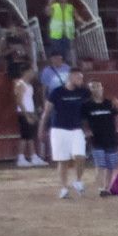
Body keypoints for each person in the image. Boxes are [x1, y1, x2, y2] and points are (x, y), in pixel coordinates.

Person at [40, 66, 91, 199]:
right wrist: (42, 128)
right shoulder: (57, 92)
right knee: (62, 160)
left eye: (81, 77)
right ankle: (64, 187)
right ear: (70, 77)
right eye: (78, 77)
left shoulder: (83, 92)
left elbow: (92, 101)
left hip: (76, 128)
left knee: (80, 155)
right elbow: (47, 112)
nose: (81, 80)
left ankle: (78, 180)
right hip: (59, 129)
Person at [85, 80, 118, 195]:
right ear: (90, 90)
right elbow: (83, 121)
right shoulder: (87, 105)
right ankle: (101, 188)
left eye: (98, 86)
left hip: (111, 137)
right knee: (100, 164)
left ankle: (107, 187)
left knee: (111, 165)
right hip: (96, 139)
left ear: (102, 88)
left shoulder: (109, 103)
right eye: (93, 87)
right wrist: (86, 131)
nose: (96, 89)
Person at [13, 68, 47, 168]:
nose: (33, 74)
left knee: (30, 135)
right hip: (24, 112)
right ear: (25, 72)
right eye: (31, 72)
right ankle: (21, 157)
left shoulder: (29, 85)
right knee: (25, 135)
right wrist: (26, 115)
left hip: (30, 111)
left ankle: (33, 156)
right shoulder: (20, 84)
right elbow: (19, 101)